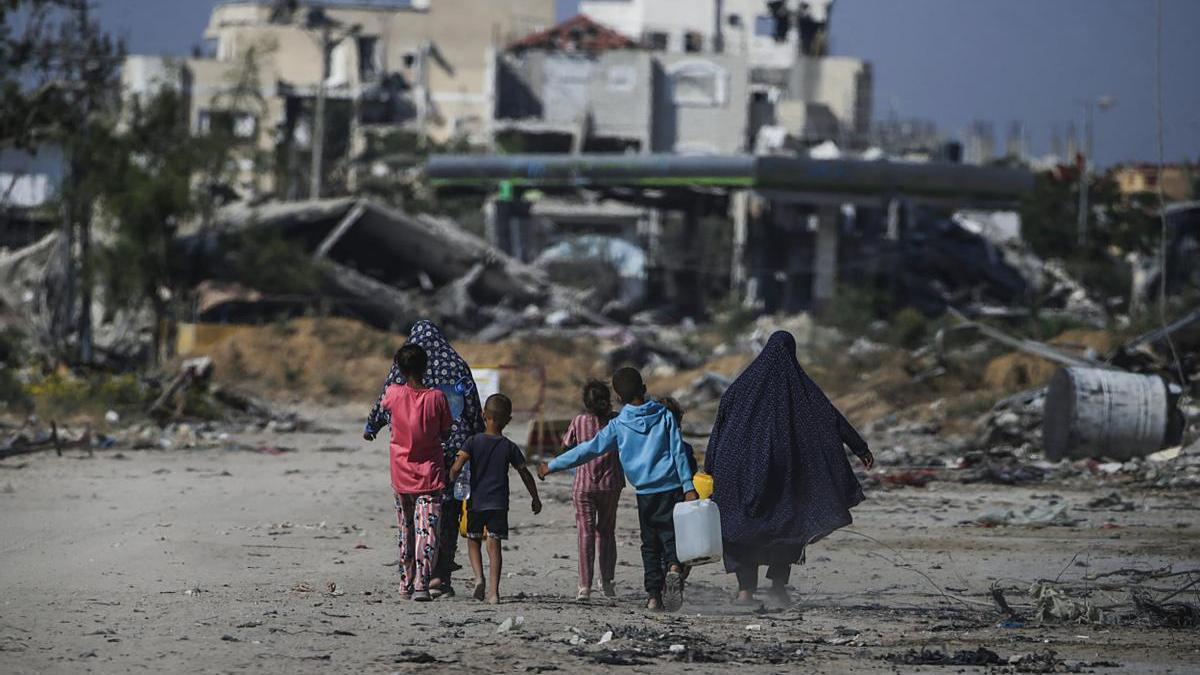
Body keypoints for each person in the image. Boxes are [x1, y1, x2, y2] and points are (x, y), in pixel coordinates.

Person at [705, 330, 874, 607]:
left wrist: (711, 465)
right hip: (785, 476)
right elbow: (831, 419)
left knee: (739, 528)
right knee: (786, 528)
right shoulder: (801, 389)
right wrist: (859, 448)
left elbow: (721, 426)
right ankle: (778, 588)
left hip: (740, 473)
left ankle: (745, 591)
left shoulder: (741, 387)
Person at [538, 367, 698, 612]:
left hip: (645, 492)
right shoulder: (665, 415)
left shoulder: (618, 425)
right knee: (670, 537)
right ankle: (675, 568)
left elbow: (588, 450)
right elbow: (678, 452)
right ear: (644, 389)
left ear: (619, 399)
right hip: (671, 487)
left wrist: (553, 465)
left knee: (649, 544)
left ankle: (654, 596)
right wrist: (688, 486)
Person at [365, 320, 484, 599]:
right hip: (453, 454)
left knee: (408, 524)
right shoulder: (457, 366)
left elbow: (382, 409)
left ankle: (410, 580)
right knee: (447, 515)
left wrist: (371, 429)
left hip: (406, 462)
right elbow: (473, 409)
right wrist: (478, 440)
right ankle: (438, 576)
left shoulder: (399, 374)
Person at [375, 343, 452, 601]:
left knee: (405, 529)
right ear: (425, 367)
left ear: (399, 368)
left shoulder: (393, 393)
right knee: (427, 531)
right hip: (430, 473)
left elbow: (381, 411)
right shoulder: (437, 398)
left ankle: (405, 583)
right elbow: (446, 430)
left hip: (400, 473)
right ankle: (422, 582)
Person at [449, 394, 542, 605]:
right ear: (508, 420)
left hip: (475, 502)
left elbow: (457, 466)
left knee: (473, 540)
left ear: (483, 415)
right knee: (495, 545)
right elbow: (525, 473)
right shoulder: (509, 446)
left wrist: (452, 477)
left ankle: (478, 578)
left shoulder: (472, 442)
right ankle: (494, 593)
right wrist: (535, 497)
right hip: (499, 503)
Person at [561, 380, 624, 602]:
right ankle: (607, 581)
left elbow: (567, 444)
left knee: (585, 534)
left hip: (584, 485)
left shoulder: (579, 421)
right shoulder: (616, 420)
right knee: (606, 533)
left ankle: (584, 586)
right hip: (611, 483)